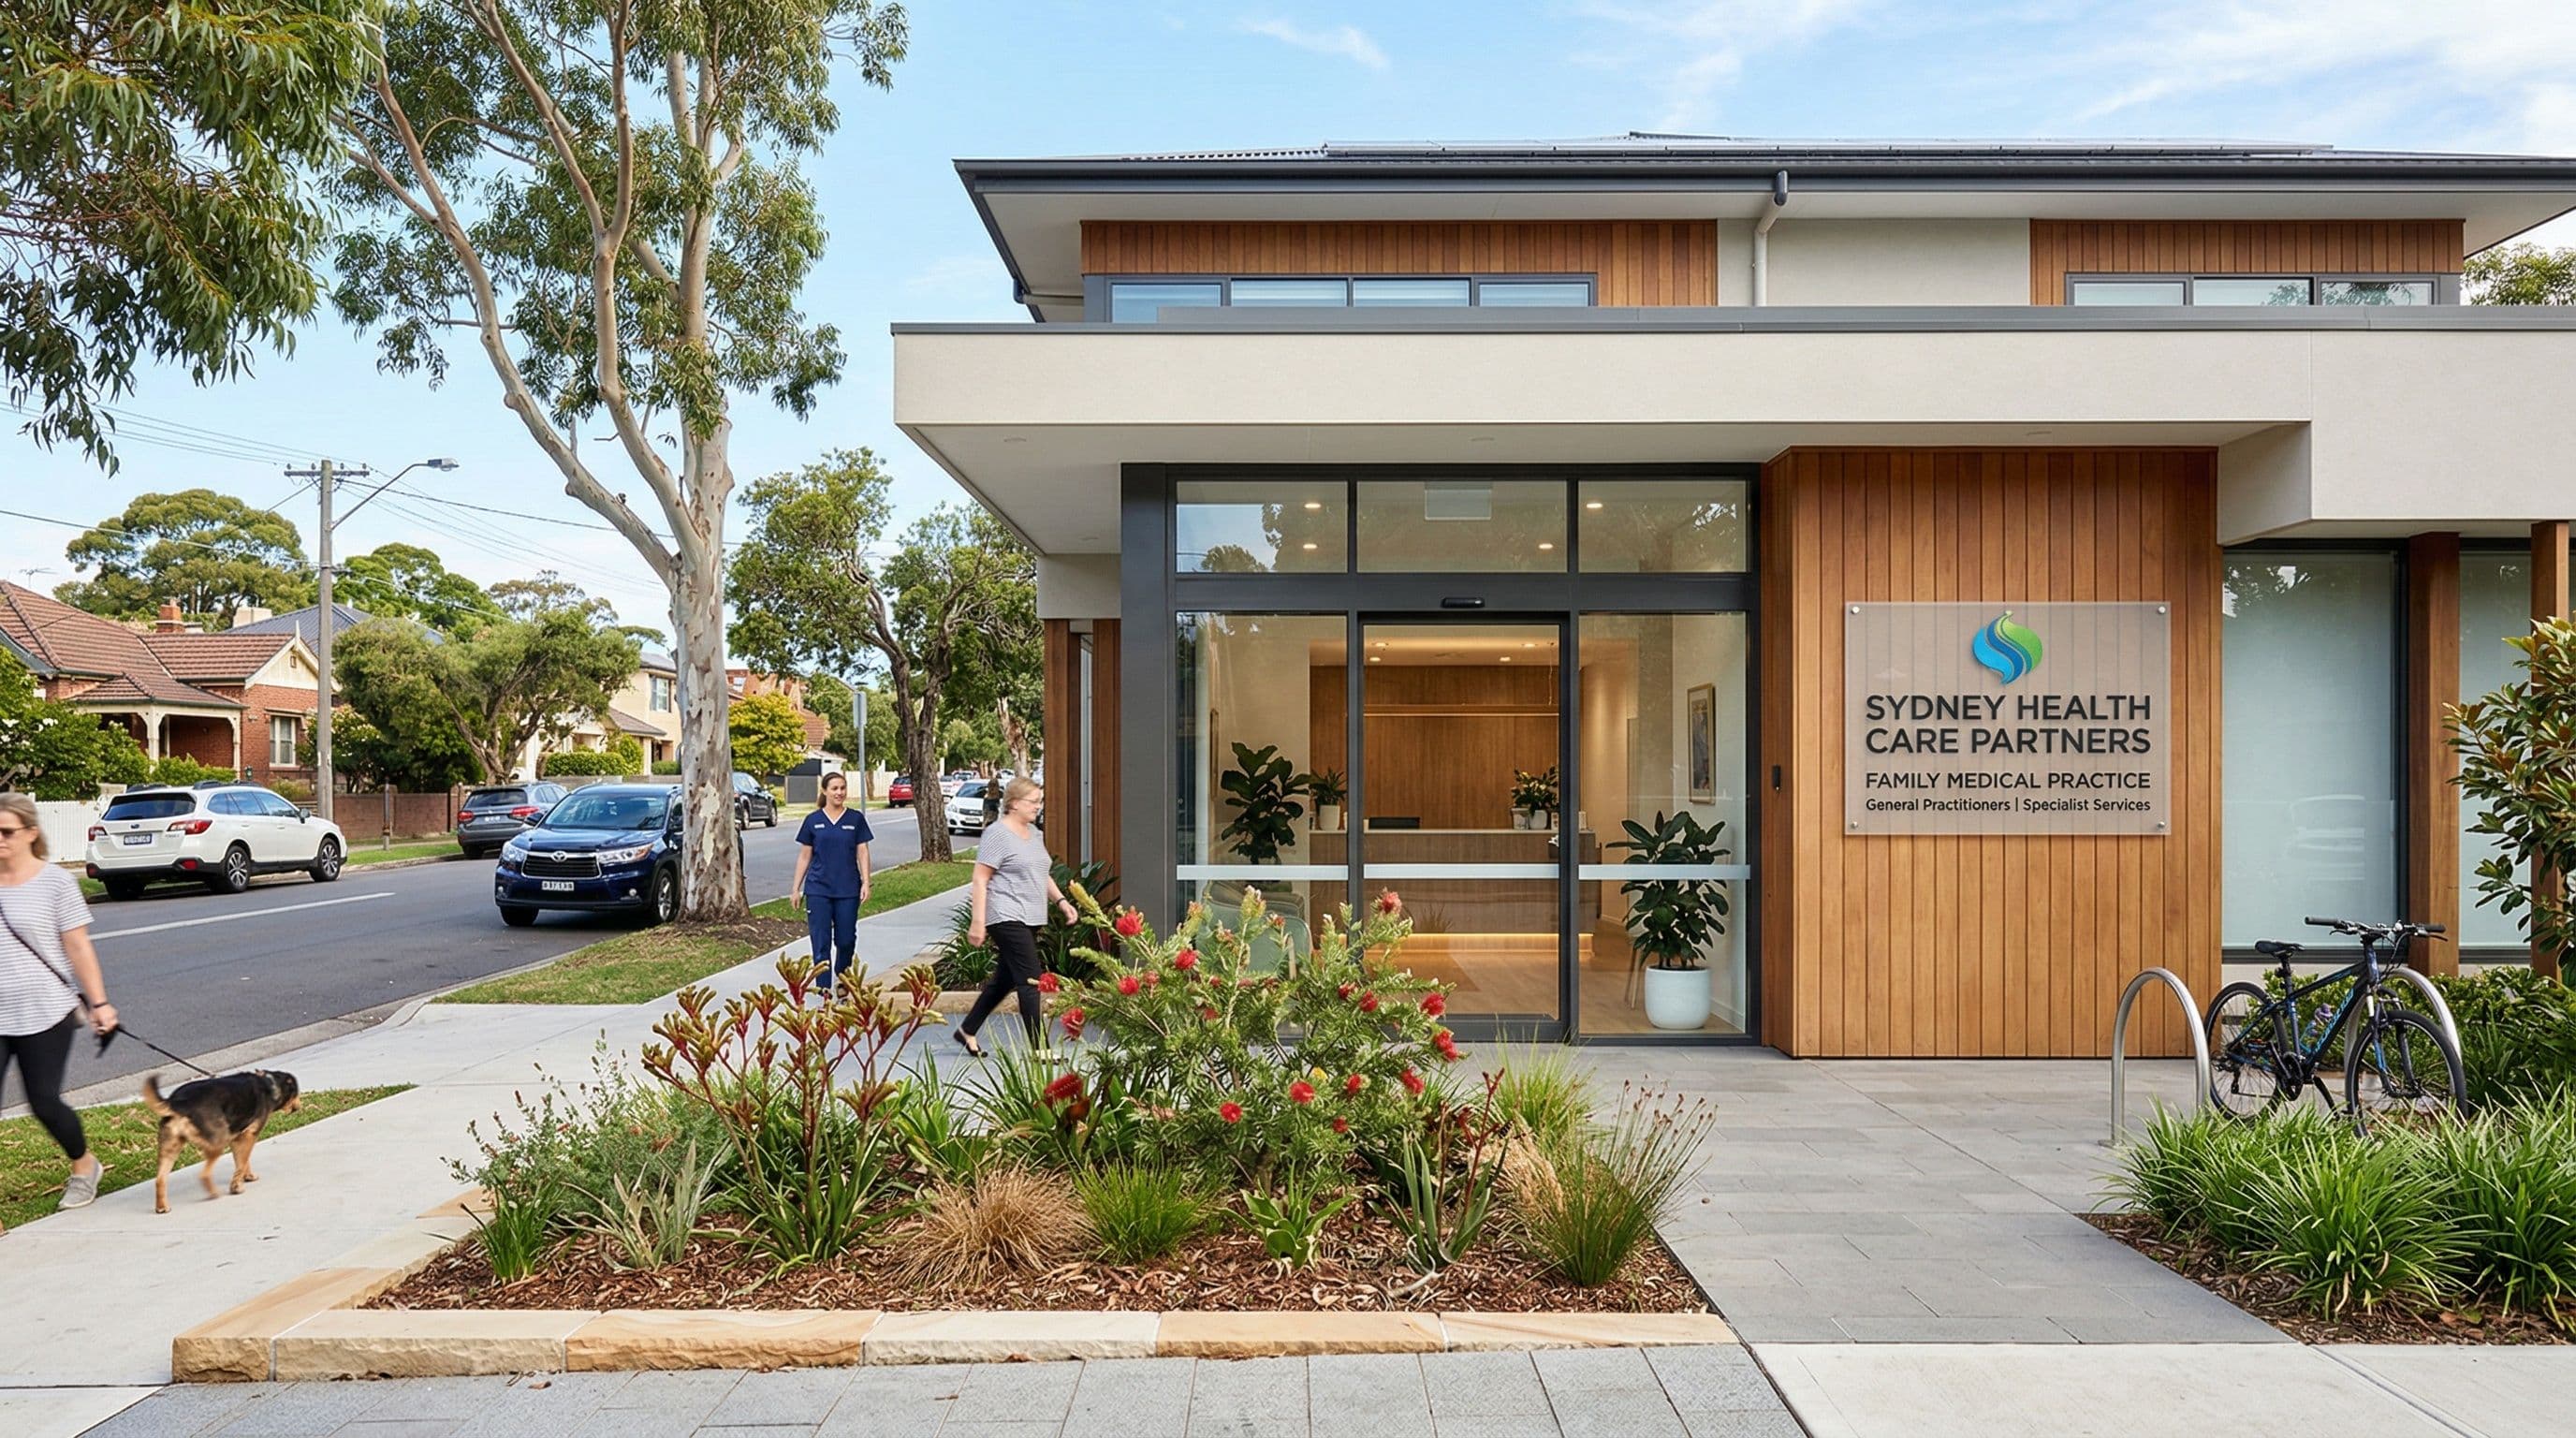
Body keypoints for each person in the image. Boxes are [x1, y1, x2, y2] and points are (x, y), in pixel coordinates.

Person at [0, 792, 116, 1236]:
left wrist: (100, 1002)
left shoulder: (55, 884)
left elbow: (77, 946)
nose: (1, 841)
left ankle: (85, 1167)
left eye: (7, 832)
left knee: (43, 1101)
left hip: (45, 1010)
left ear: (31, 832)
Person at [956, 777, 1077, 1057]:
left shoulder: (1033, 833)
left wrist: (1061, 902)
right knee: (1031, 978)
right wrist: (978, 921)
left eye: (1040, 801)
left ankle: (968, 1030)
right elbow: (980, 878)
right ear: (1013, 804)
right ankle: (1039, 1048)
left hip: (1031, 914)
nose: (1038, 806)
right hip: (1005, 913)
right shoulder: (997, 834)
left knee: (1005, 979)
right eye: (1033, 801)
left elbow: (1040, 872)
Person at [789, 772, 872, 992]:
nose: (839, 792)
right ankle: (823, 990)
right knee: (821, 941)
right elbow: (805, 856)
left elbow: (862, 852)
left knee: (846, 940)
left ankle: (842, 975)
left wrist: (866, 882)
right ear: (825, 791)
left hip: (847, 889)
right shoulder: (813, 821)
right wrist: (795, 888)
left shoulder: (855, 819)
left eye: (842, 788)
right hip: (818, 890)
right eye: (834, 788)